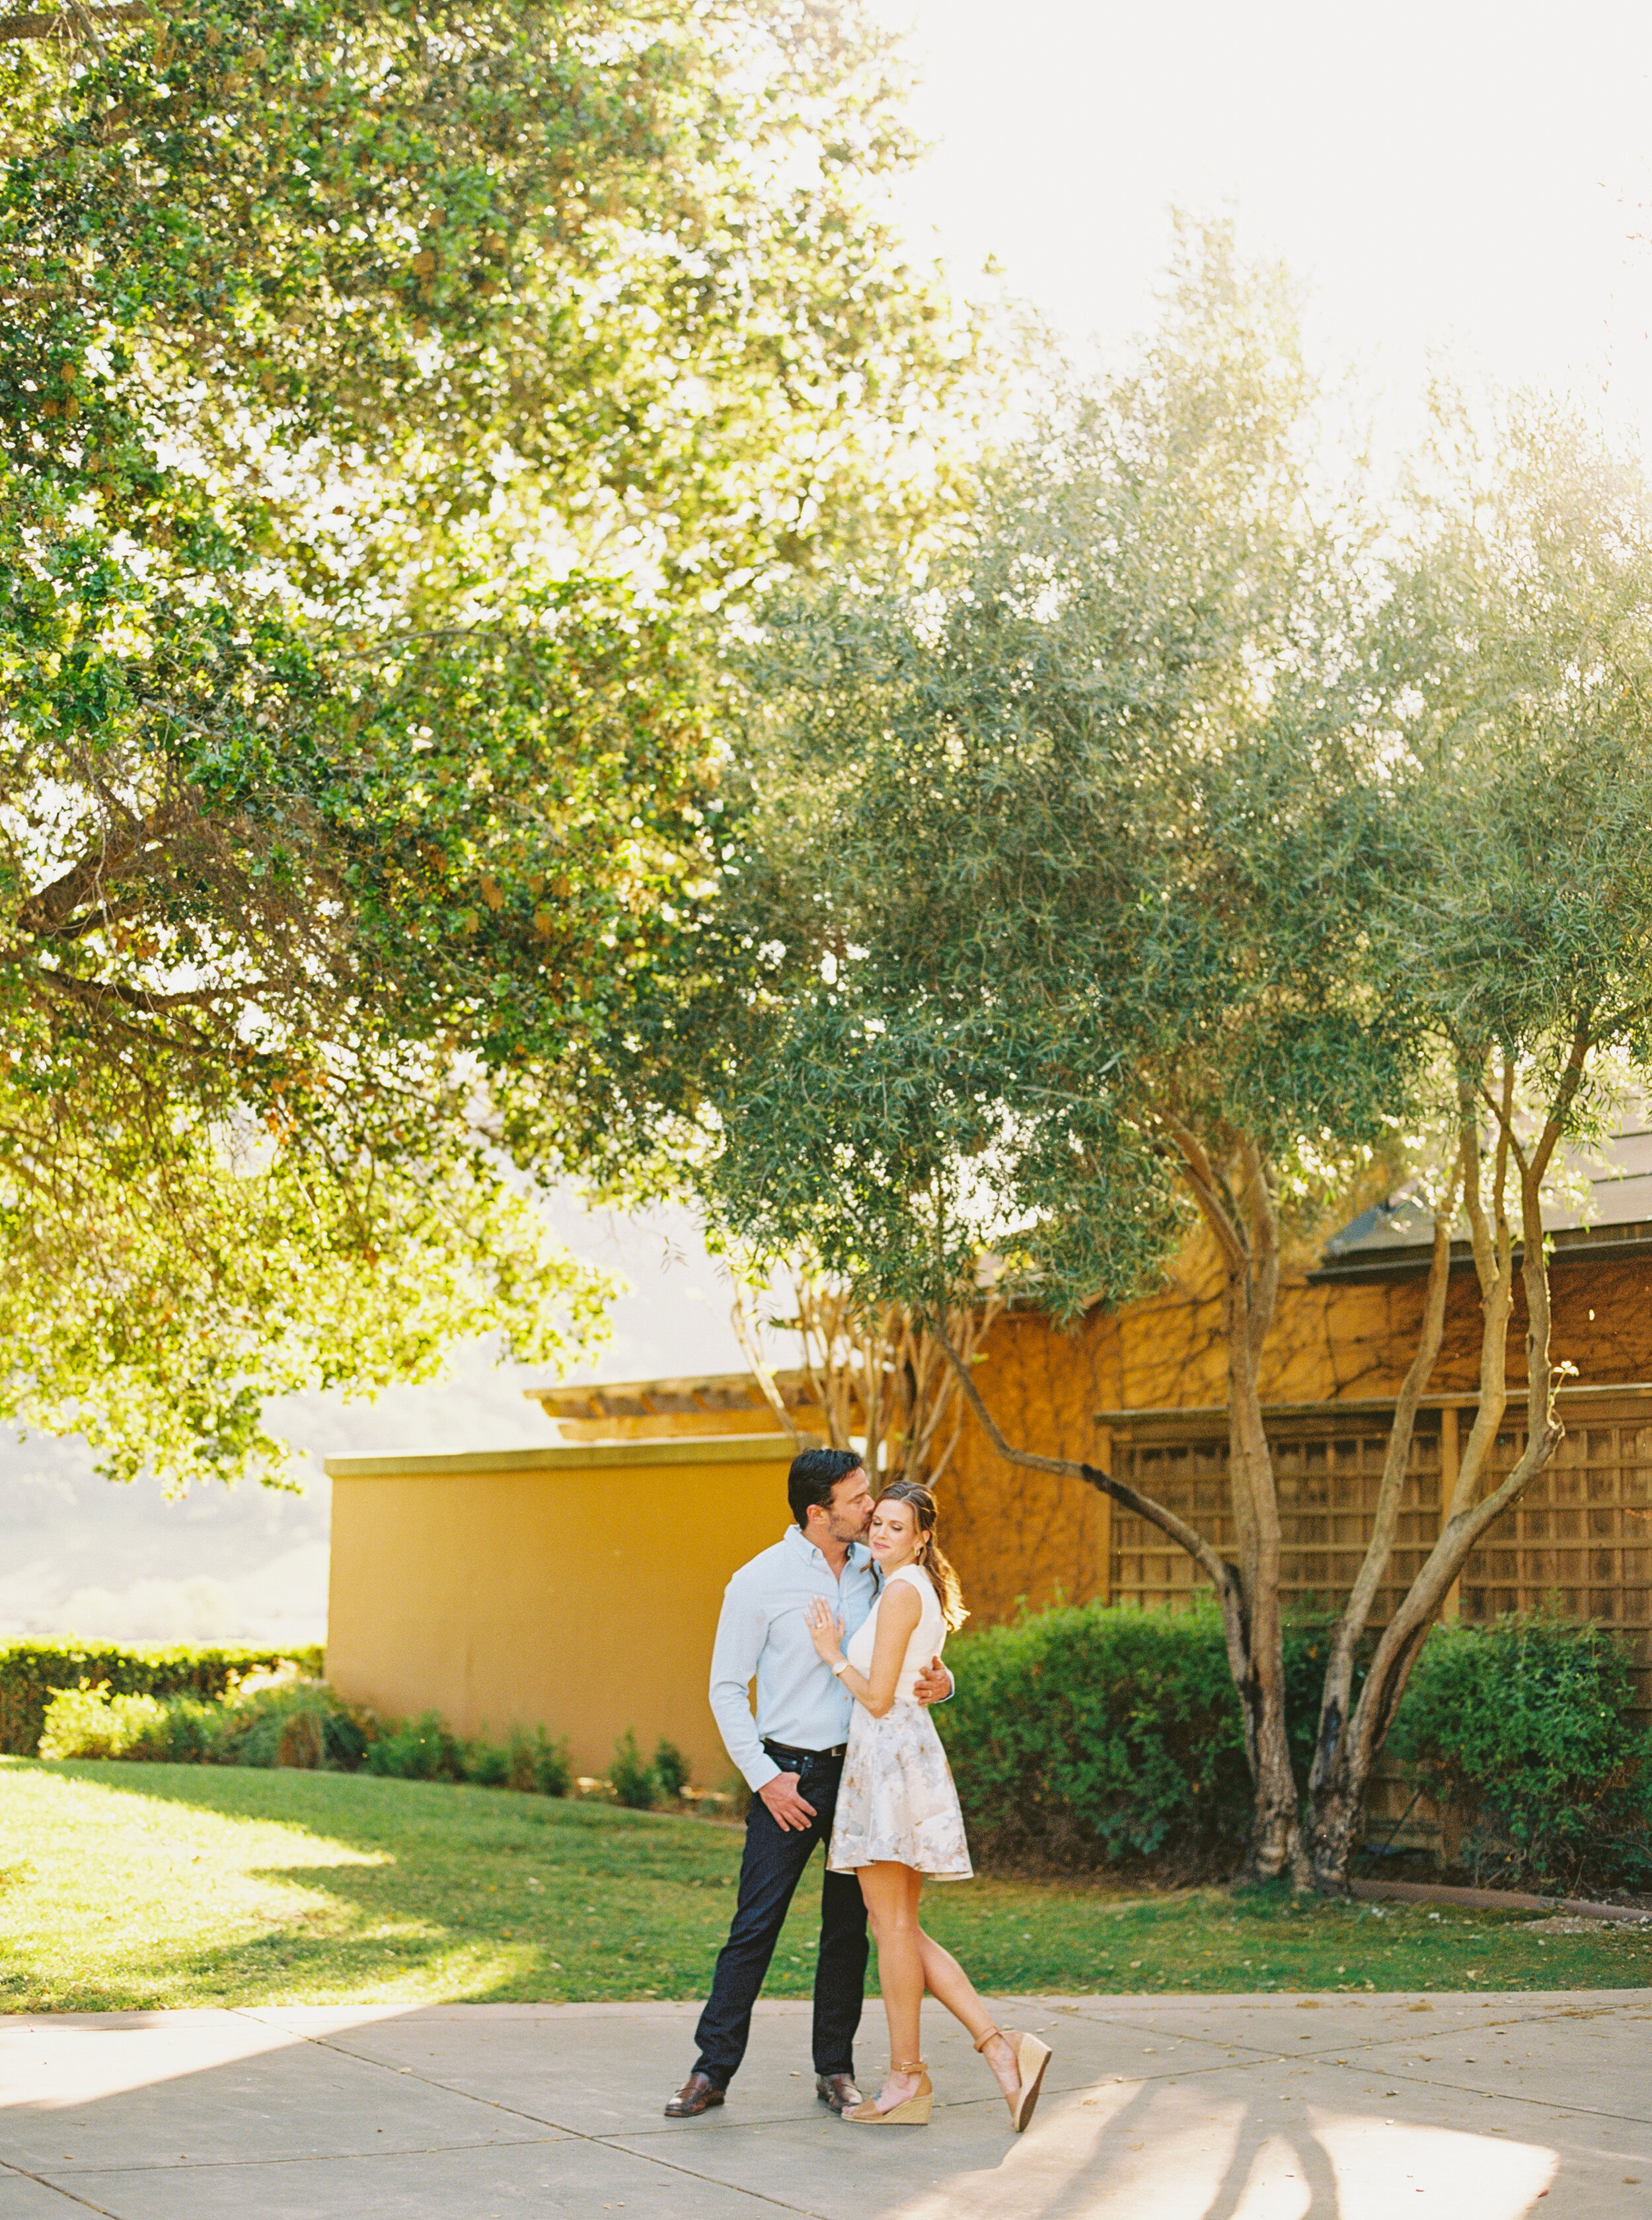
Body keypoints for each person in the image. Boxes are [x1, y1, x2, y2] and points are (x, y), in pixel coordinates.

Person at [665, 1447, 953, 2120]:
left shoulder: (875, 1571)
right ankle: (711, 2071)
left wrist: (945, 1682)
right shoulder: (758, 1581)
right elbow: (726, 1689)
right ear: (817, 1512)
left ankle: (835, 2070)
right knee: (754, 1925)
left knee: (848, 1929)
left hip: (861, 1774)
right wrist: (766, 1780)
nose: (869, 1508)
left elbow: (911, 1653)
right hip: (787, 1776)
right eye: (857, 1501)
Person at [805, 1479, 1053, 2132]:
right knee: (899, 1927)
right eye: (877, 1523)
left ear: (921, 1536)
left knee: (890, 1928)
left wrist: (832, 1656)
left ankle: (909, 2077)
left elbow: (879, 1697)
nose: (881, 1533)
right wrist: (943, 1685)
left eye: (896, 1526)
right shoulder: (914, 1585)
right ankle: (1000, 2053)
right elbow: (924, 1675)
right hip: (901, 1760)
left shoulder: (901, 1591)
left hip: (887, 1763)